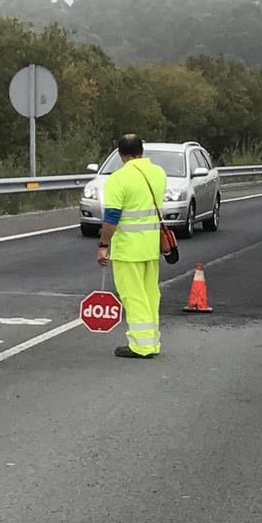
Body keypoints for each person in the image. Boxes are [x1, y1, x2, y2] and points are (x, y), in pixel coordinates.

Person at [96, 134, 167, 359]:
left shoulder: (118, 179)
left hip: (128, 249)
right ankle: (152, 341)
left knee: (133, 295)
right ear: (142, 151)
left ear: (120, 154)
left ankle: (141, 345)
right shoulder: (158, 173)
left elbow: (112, 217)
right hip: (151, 246)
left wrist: (103, 245)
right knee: (150, 294)